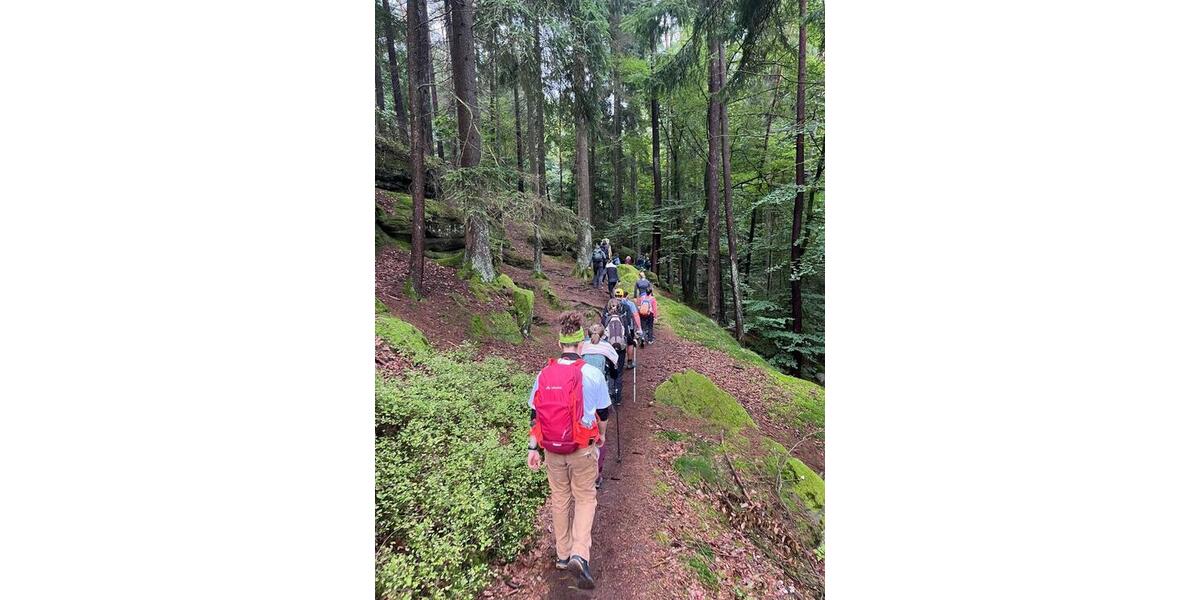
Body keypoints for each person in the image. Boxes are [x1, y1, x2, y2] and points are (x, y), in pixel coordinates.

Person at [527, 312, 610, 589]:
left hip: (551, 448)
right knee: (585, 498)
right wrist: (601, 437)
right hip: (582, 450)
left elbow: (535, 413)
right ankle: (579, 554)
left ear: (560, 341)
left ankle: (562, 556)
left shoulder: (544, 373)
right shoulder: (593, 373)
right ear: (581, 343)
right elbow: (603, 412)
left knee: (560, 498)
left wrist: (533, 448)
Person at [580, 324, 619, 489]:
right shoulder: (607, 348)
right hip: (600, 393)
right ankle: (596, 475)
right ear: (604, 335)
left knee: (583, 427)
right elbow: (615, 372)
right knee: (599, 434)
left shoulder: (582, 347)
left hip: (581, 392)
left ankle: (580, 469)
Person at [611, 288, 643, 370]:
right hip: (627, 329)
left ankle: (614, 362)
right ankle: (629, 362)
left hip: (613, 329)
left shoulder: (610, 304)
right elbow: (633, 317)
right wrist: (639, 328)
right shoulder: (629, 304)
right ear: (624, 296)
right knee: (630, 343)